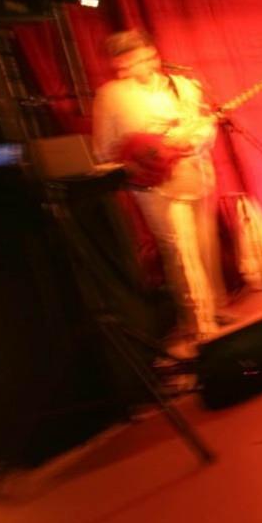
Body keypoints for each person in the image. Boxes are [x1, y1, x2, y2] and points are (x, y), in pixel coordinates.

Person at [92, 30, 225, 340]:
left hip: (195, 171)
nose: (143, 65)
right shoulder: (111, 95)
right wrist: (142, 160)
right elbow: (103, 149)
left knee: (205, 243)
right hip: (154, 184)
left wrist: (193, 140)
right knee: (180, 249)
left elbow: (206, 123)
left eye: (144, 57)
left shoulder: (182, 86)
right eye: (129, 62)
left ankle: (216, 306)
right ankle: (198, 320)